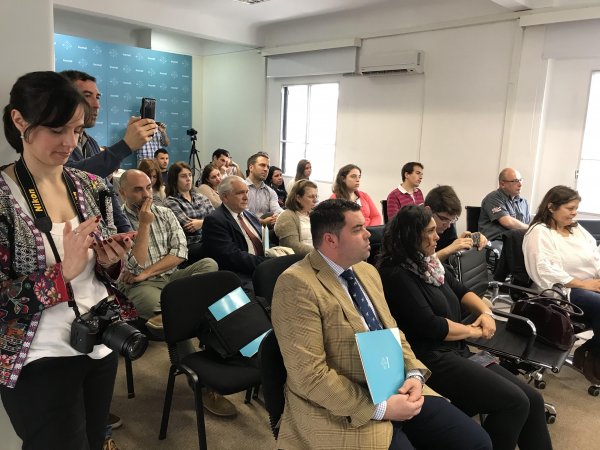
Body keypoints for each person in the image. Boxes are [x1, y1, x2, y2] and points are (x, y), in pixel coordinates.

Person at [271, 199, 492, 450]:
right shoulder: (297, 285)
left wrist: (414, 374)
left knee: (477, 442)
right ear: (331, 240)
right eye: (357, 229)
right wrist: (381, 408)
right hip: (344, 405)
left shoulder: (367, 272)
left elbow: (393, 332)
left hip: (394, 383)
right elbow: (310, 376)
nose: (368, 234)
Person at [0, 71, 137, 450]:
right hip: (38, 356)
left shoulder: (91, 186)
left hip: (99, 343)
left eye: (76, 130)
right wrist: (60, 276)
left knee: (94, 440)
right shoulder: (3, 198)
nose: (69, 143)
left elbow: (107, 274)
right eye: (57, 130)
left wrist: (110, 261)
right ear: (19, 121)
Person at [377, 205, 552, 450]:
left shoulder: (429, 264)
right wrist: (475, 331)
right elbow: (433, 326)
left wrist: (486, 313)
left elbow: (462, 291)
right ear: (411, 235)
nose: (437, 236)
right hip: (432, 359)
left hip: (457, 349)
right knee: (515, 403)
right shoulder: (395, 274)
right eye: (430, 231)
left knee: (533, 398)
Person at [61, 69, 157, 233]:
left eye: (97, 97)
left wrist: (126, 232)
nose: (96, 105)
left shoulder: (90, 143)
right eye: (86, 96)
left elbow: (105, 191)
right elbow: (70, 176)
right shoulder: (57, 144)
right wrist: (126, 145)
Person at [523, 185, 600, 383]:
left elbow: (595, 255)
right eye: (570, 208)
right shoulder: (540, 232)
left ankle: (591, 350)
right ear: (551, 207)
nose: (574, 213)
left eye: (576, 208)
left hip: (588, 284)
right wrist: (584, 284)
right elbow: (544, 270)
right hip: (563, 291)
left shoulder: (576, 229)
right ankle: (592, 354)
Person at [202, 176, 267, 292]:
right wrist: (265, 263)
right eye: (240, 193)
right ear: (225, 197)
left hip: (262, 267)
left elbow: (264, 241)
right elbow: (232, 257)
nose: (246, 197)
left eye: (246, 192)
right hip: (239, 276)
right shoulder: (215, 220)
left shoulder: (250, 216)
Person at [165, 162, 215, 264]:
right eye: (183, 176)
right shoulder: (171, 201)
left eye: (190, 175)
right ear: (174, 180)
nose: (188, 179)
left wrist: (201, 223)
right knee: (216, 248)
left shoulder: (201, 197)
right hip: (189, 245)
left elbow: (217, 220)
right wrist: (208, 223)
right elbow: (189, 226)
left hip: (210, 239)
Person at [424, 185, 488, 261]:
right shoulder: (414, 228)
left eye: (452, 219)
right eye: (444, 219)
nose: (448, 225)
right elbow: (420, 265)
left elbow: (452, 250)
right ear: (428, 211)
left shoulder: (448, 225)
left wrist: (465, 241)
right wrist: (449, 250)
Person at [479, 168, 530, 245]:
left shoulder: (523, 202)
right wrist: (530, 228)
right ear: (502, 184)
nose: (520, 184)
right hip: (497, 242)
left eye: (520, 180)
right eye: (515, 181)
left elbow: (527, 226)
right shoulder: (493, 198)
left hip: (516, 241)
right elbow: (507, 222)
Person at [274, 180, 318, 256]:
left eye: (316, 196)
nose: (315, 200)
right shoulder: (286, 216)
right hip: (301, 259)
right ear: (298, 198)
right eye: (311, 197)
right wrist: (321, 254)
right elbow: (292, 246)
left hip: (316, 256)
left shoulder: (314, 215)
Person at [245, 152, 283, 226]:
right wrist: (261, 221)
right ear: (251, 167)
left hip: (266, 228)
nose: (266, 169)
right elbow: (242, 213)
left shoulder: (271, 192)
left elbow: (276, 209)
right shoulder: (239, 188)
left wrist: (279, 216)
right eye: (262, 165)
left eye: (268, 167)